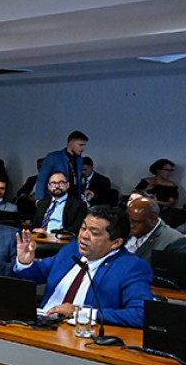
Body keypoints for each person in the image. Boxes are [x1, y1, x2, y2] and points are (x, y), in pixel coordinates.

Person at [14, 205, 153, 327]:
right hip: (41, 323)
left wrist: (82, 313)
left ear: (116, 243)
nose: (84, 236)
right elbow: (37, 274)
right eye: (83, 228)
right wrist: (25, 263)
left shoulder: (131, 267)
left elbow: (141, 314)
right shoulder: (71, 249)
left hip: (80, 335)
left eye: (94, 233)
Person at [125, 196, 182, 262]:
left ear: (153, 220)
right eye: (128, 220)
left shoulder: (173, 241)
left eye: (137, 222)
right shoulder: (122, 228)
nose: (131, 225)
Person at [36, 130, 88, 200]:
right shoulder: (53, 157)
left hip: (74, 200)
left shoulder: (79, 160)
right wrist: (40, 200)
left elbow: (77, 181)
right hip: (56, 200)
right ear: (70, 143)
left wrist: (84, 190)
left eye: (84, 145)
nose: (83, 148)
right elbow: (41, 179)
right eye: (80, 145)